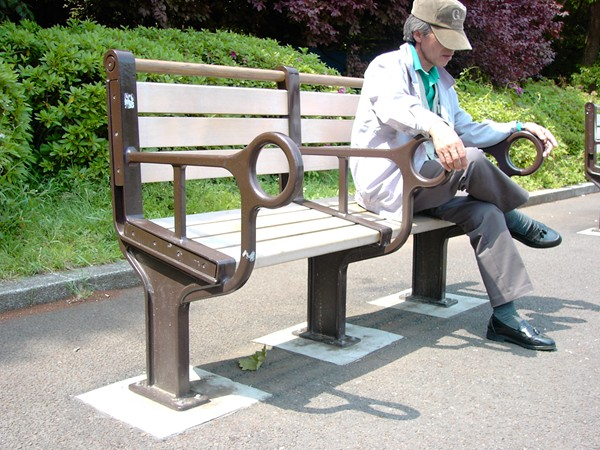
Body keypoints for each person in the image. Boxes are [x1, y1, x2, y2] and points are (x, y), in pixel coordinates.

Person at [350, 0, 561, 351]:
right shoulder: (387, 67)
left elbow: (466, 128)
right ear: (419, 33)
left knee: (485, 212)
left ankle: (505, 318)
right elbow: (394, 107)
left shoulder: (442, 81)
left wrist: (520, 126)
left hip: (429, 184)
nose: (453, 48)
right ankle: (516, 217)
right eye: (445, 38)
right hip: (390, 185)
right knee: (472, 161)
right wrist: (434, 126)